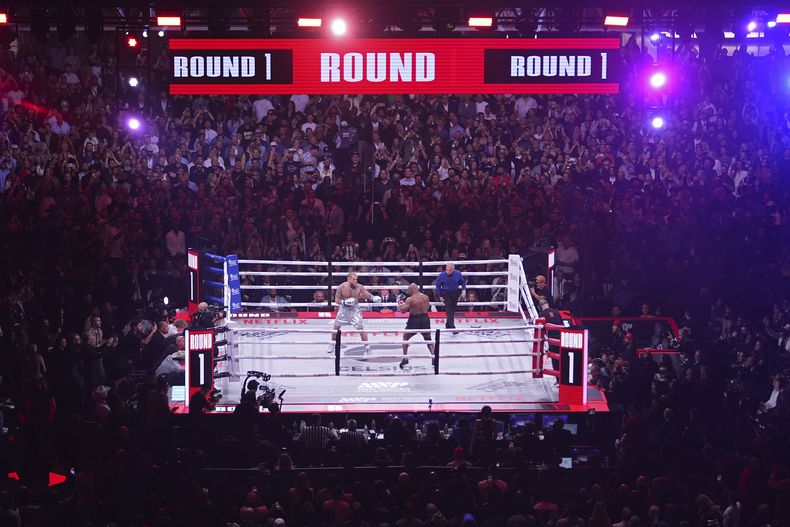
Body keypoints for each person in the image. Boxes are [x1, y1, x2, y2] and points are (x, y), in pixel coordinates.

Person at [330, 271, 378, 353]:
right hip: (343, 310)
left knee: (361, 329)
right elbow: (336, 300)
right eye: (354, 279)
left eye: (356, 279)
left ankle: (367, 348)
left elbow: (367, 294)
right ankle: (332, 344)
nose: (356, 281)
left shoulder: (359, 287)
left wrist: (373, 298)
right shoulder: (342, 287)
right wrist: (344, 302)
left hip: (354, 310)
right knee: (336, 328)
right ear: (349, 279)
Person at [397, 283, 436, 369]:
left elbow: (402, 310)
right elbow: (427, 306)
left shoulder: (410, 299)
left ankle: (405, 358)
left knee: (405, 337)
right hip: (425, 318)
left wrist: (399, 303)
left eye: (408, 289)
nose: (407, 291)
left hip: (414, 320)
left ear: (411, 290)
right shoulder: (426, 297)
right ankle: (434, 357)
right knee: (428, 339)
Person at [435, 263, 466, 333]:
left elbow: (463, 282)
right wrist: (440, 296)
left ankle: (448, 324)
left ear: (453, 269)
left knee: (453, 309)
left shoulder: (458, 274)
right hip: (445, 293)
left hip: (455, 293)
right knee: (449, 309)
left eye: (450, 270)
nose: (448, 272)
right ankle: (452, 327)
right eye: (447, 270)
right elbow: (438, 286)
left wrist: (464, 290)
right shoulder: (442, 275)